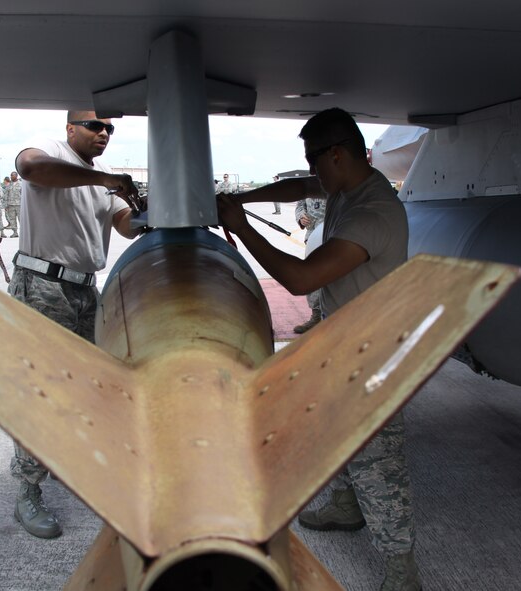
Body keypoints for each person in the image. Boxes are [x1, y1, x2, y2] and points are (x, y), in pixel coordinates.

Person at [217, 107, 420, 591]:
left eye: (314, 161)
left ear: (336, 154)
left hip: (371, 349)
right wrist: (242, 197)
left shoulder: (373, 212)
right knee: (333, 429)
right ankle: (348, 507)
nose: (310, 172)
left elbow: (300, 278)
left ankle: (402, 571)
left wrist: (240, 226)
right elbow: (297, 189)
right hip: (341, 332)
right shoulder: (346, 188)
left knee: (377, 456)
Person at [8, 110, 144, 539]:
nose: (103, 133)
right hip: (42, 284)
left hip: (86, 292)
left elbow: (124, 226)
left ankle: (81, 466)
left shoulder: (105, 175)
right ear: (71, 129)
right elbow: (30, 168)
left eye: (109, 128)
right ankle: (28, 490)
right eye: (94, 125)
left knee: (93, 387)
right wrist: (106, 182)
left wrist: (151, 215)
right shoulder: (51, 153)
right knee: (44, 391)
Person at [292, 195, 326, 333]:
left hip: (335, 234)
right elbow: (300, 204)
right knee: (314, 276)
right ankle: (316, 316)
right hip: (313, 236)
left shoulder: (336, 180)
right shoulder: (309, 183)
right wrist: (301, 216)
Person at [4, 171, 22, 238]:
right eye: (11, 175)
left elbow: (24, 195)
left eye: (12, 175)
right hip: (10, 205)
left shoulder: (21, 184)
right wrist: (5, 205)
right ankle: (15, 232)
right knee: (12, 220)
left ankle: (23, 233)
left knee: (21, 219)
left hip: (19, 205)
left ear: (16, 176)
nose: (11, 177)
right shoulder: (9, 185)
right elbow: (6, 195)